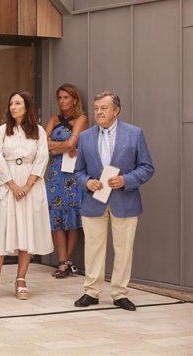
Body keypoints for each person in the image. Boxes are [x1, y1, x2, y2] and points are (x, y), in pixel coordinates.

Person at [73, 91, 154, 311]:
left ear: (116, 111)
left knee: (124, 250)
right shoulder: (85, 136)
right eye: (97, 107)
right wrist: (87, 182)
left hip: (125, 201)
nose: (98, 112)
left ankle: (120, 293)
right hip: (94, 201)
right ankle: (91, 291)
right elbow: (78, 171)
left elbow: (147, 167)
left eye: (104, 108)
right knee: (93, 249)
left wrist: (126, 180)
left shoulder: (135, 134)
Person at [0, 91, 53, 301]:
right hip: (7, 184)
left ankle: (21, 279)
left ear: (27, 106)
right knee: (0, 229)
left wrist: (29, 184)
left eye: (18, 103)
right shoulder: (2, 131)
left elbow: (42, 157)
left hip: (31, 183)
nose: (13, 107)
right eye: (11, 103)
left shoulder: (38, 131)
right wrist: (12, 184)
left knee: (26, 229)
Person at [44, 84, 88, 278]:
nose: (62, 101)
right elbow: (42, 144)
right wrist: (61, 146)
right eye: (59, 98)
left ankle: (66, 262)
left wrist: (56, 146)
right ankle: (62, 260)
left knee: (71, 218)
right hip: (54, 174)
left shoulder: (82, 119)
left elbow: (73, 143)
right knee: (56, 218)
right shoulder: (54, 119)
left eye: (66, 97)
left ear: (75, 100)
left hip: (72, 174)